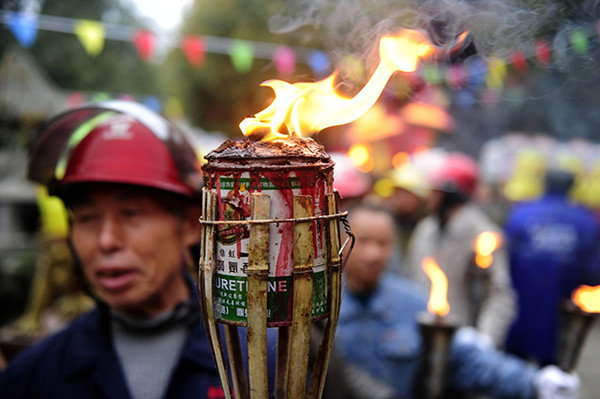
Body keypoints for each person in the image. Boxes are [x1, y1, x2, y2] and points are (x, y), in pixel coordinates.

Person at [0, 101, 222, 398]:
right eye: (87, 218)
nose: (106, 241)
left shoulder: (258, 361)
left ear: (191, 224)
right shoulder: (31, 379)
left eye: (131, 213)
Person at [335, 203, 580, 399]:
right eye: (363, 241)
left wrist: (533, 381)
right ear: (342, 242)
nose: (373, 254)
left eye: (383, 243)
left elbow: (464, 359)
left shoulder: (409, 302)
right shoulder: (320, 309)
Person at [406, 152, 515, 347]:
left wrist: (485, 340)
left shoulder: (483, 236)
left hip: (460, 339)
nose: (430, 197)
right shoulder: (426, 228)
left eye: (436, 191)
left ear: (451, 195)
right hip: (419, 334)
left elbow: (500, 295)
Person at [504, 168, 600, 365]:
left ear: (544, 184)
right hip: (559, 319)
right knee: (550, 380)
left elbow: (504, 261)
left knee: (512, 371)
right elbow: (593, 274)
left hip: (516, 314)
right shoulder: (586, 221)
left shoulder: (521, 214)